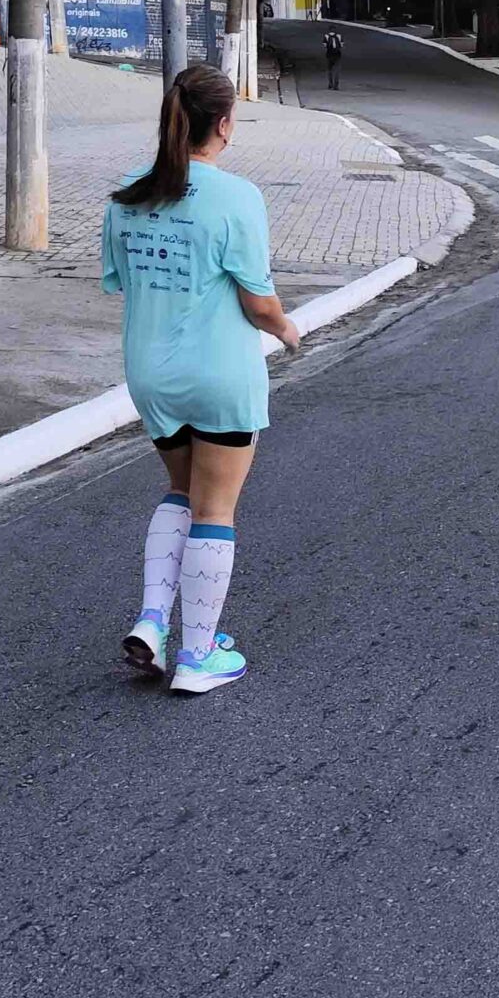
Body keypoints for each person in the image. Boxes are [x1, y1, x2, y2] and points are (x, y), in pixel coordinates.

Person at [102, 64, 300, 695]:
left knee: (181, 491)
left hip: (149, 375)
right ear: (224, 124)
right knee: (216, 508)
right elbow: (258, 303)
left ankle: (153, 620)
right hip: (218, 375)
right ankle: (197, 655)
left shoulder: (127, 194)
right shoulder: (238, 197)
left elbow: (121, 282)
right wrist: (288, 331)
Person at [323, 26, 343, 90]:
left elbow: (325, 45)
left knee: (329, 70)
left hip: (329, 54)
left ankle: (330, 84)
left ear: (329, 30)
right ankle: (336, 85)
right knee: (337, 70)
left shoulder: (326, 36)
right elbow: (341, 45)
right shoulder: (339, 36)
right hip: (337, 54)